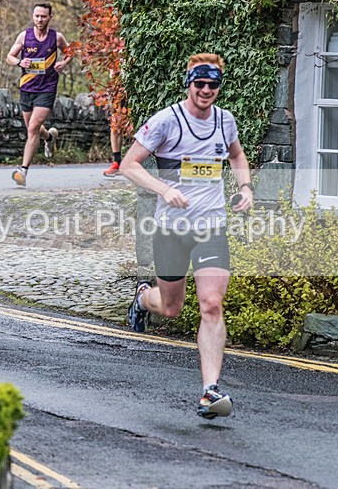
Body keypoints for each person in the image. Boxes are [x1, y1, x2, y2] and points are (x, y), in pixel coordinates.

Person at [119, 53, 253, 420]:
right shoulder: (166, 120)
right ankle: (143, 299)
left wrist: (245, 187)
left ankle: (210, 391)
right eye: (200, 84)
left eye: (213, 85)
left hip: (211, 226)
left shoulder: (225, 121)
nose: (206, 91)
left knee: (211, 303)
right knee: (172, 308)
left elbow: (238, 156)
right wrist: (163, 190)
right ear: (189, 83)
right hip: (171, 229)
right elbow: (129, 165)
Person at [6, 2, 73, 186]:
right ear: (33, 16)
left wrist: (63, 63)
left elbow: (70, 52)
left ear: (50, 17)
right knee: (32, 129)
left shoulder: (56, 37)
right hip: (27, 88)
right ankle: (50, 138)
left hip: (47, 88)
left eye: (43, 16)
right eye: (37, 16)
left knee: (33, 128)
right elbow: (9, 57)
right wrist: (20, 63)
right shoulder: (24, 36)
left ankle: (23, 171)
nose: (40, 19)